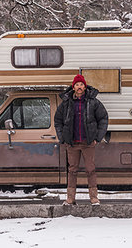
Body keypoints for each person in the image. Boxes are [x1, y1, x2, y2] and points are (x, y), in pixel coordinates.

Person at [54, 74, 109, 205]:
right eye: (77, 85)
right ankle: (70, 198)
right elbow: (58, 120)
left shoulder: (93, 102)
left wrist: (97, 137)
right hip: (72, 143)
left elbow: (103, 118)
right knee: (72, 171)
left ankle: (94, 198)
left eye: (81, 84)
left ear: (85, 87)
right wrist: (63, 138)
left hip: (88, 143)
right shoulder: (66, 103)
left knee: (91, 170)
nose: (79, 87)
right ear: (73, 87)